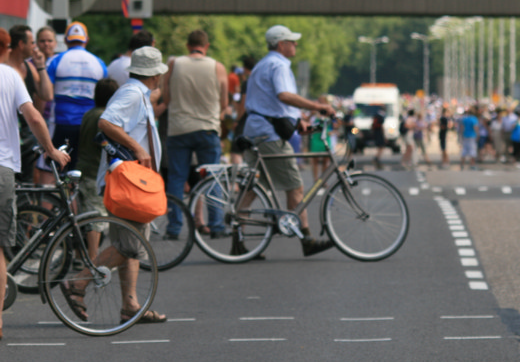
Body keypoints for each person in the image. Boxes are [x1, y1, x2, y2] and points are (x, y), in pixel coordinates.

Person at [65, 46, 171, 325]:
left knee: (131, 244)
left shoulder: (137, 93)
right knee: (129, 245)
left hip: (132, 180)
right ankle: (78, 282)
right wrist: (138, 148)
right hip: (129, 181)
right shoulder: (132, 93)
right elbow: (106, 122)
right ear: (154, 75)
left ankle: (130, 304)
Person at [0, 27, 71, 340]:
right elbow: (34, 117)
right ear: (7, 47)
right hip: (2, 166)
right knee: (0, 248)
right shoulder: (11, 76)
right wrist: (51, 150)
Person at [242, 25, 335, 256]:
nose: (296, 45)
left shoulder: (262, 64)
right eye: (292, 41)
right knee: (295, 186)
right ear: (281, 44)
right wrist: (318, 107)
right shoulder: (279, 65)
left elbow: (270, 101)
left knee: (255, 188)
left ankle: (238, 238)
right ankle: (307, 239)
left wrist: (297, 119)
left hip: (254, 129)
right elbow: (284, 95)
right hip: (269, 134)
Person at [164, 30, 228, 238]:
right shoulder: (217, 67)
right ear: (206, 46)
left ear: (187, 45)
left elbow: (166, 97)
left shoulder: (174, 64)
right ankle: (216, 225)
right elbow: (224, 103)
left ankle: (174, 228)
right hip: (207, 129)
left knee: (176, 178)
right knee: (212, 178)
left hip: (179, 129)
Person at [46, 22, 108, 170]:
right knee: (80, 168)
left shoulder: (55, 61)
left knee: (55, 168)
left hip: (61, 123)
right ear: (86, 39)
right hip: (89, 124)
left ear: (66, 40)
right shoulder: (99, 63)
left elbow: (45, 94)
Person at [77, 77, 119, 256]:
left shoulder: (89, 114)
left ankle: (80, 255)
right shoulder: (104, 118)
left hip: (83, 167)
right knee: (95, 217)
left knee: (84, 214)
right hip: (94, 172)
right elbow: (103, 142)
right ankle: (93, 258)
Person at [7, 25, 53, 183]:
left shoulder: (29, 67)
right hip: (8, 133)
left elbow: (47, 95)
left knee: (26, 181)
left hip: (26, 135)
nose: (35, 47)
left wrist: (41, 66)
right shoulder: (5, 67)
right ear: (21, 44)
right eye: (32, 42)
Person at [34, 26, 58, 186]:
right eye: (42, 41)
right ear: (37, 42)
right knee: (37, 163)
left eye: (49, 40)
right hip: (36, 116)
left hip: (54, 119)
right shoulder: (31, 63)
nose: (46, 44)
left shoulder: (59, 61)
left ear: (55, 43)